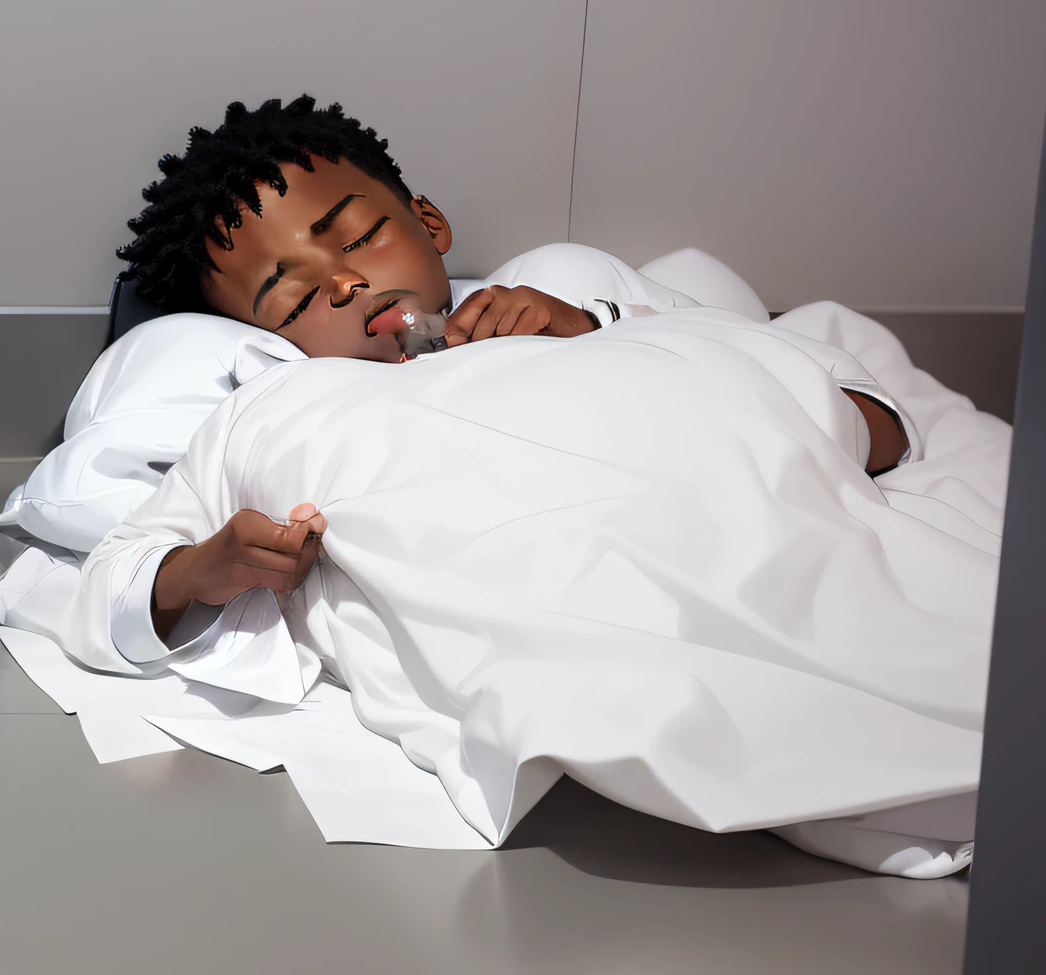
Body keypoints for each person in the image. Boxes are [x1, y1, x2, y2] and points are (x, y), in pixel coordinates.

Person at [94, 99, 910, 654]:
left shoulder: (572, 300)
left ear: (428, 220)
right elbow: (111, 586)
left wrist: (598, 332)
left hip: (757, 557)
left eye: (359, 236)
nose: (342, 285)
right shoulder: (290, 409)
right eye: (295, 296)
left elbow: (873, 430)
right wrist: (202, 570)